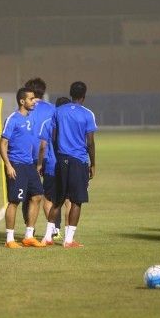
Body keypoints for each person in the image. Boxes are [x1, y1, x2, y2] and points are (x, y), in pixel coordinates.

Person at [41, 81, 97, 248]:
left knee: (57, 200)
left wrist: (59, 154)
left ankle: (47, 237)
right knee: (77, 200)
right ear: (84, 96)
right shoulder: (87, 114)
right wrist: (93, 164)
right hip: (78, 161)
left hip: (61, 160)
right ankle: (69, 240)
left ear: (71, 94)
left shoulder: (58, 111)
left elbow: (53, 136)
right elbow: (90, 142)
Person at [0, 88, 45, 248]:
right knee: (14, 201)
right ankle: (9, 239)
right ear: (22, 101)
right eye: (31, 99)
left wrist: (37, 100)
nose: (34, 101)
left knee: (37, 196)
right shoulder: (13, 119)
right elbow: (2, 144)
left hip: (29, 165)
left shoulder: (31, 116)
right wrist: (8, 165)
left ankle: (28, 236)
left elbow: (36, 103)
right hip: (16, 165)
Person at [23, 77, 56, 230]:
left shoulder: (25, 108)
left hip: (28, 156)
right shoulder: (52, 109)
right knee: (50, 195)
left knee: (29, 194)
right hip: (49, 156)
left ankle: (29, 226)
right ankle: (54, 228)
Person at [38, 96, 72, 240]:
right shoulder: (71, 123)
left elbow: (43, 146)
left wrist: (40, 164)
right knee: (69, 200)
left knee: (48, 199)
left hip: (51, 165)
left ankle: (54, 230)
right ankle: (69, 236)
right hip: (70, 165)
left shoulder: (47, 122)